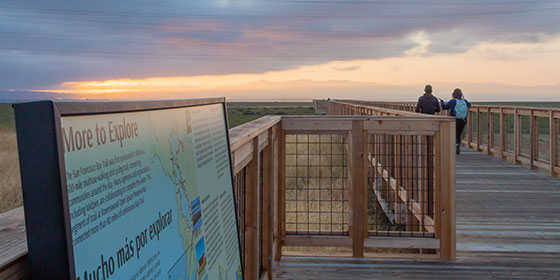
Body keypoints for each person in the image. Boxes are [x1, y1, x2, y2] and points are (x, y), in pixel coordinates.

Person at [440, 88, 471, 154]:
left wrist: (442, 102)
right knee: (458, 134)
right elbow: (469, 105)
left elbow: (444, 107)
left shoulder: (453, 101)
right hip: (462, 120)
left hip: (454, 120)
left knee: (452, 134)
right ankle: (458, 146)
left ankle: (453, 147)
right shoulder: (464, 101)